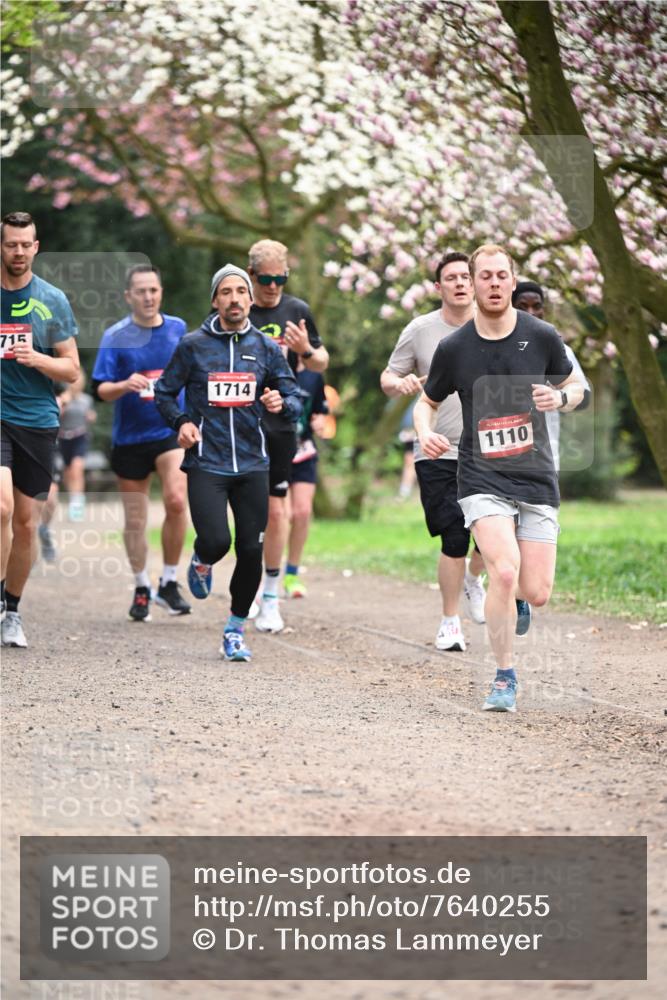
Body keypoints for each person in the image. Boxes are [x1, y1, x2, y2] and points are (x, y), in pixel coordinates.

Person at [414, 244, 587, 712]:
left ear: (513, 281)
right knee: (504, 572)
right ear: (472, 284)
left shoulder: (542, 335)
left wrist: (562, 400)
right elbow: (426, 401)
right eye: (484, 276)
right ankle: (504, 676)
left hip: (535, 477)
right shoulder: (455, 348)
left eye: (501, 276)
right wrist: (425, 431)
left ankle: (518, 602)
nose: (493, 283)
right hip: (480, 476)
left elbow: (574, 384)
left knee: (537, 590)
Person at [154, 264, 302, 662]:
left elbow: (295, 398)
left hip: (254, 463)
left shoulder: (268, 349)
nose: (235, 299)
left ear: (251, 300)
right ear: (215, 300)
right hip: (206, 462)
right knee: (218, 540)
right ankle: (202, 560)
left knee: (251, 551)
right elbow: (165, 393)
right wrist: (181, 422)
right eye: (226, 292)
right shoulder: (193, 346)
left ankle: (235, 629)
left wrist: (281, 402)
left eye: (241, 291)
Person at [381, 251, 487, 652]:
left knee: (495, 532)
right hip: (437, 449)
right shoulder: (421, 329)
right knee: (454, 535)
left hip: (489, 449)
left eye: (466, 276)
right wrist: (400, 383)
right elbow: (388, 376)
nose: (461, 283)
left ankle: (474, 579)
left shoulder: (494, 326)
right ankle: (450, 622)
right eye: (452, 277)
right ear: (438, 286)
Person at [92, 264, 191, 621]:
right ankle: (141, 586)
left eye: (154, 290)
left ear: (161, 292)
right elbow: (100, 390)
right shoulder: (115, 336)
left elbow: (193, 374)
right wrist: (124, 385)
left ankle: (168, 581)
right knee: (135, 518)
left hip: (169, 432)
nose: (148, 297)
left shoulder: (179, 329)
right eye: (141, 291)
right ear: (128, 296)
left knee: (177, 500)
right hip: (130, 437)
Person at [1, 211, 80, 646]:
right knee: (2, 509)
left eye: (24, 244)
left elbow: (71, 369)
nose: (17, 251)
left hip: (36, 420)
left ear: (36, 247)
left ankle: (12, 610)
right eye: (10, 243)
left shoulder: (52, 300)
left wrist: (37, 358)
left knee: (27, 523)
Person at [247, 239, 329, 633]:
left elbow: (322, 360)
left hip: (283, 424)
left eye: (281, 278)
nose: (274, 286)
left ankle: (271, 594)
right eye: (267, 279)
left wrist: (306, 350)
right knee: (250, 513)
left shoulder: (297, 310)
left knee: (280, 510)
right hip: (241, 424)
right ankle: (247, 582)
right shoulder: (235, 305)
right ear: (251, 275)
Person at [512, 281, 591, 471]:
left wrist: (560, 397)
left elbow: (584, 397)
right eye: (523, 307)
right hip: (497, 457)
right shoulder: (491, 346)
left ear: (543, 310)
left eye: (536, 306)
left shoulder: (559, 349)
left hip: (544, 459)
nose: (531, 312)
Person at [283, 364, 329, 598]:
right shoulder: (272, 366)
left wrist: (319, 421)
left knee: (301, 513)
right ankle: (264, 574)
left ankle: (291, 573)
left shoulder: (313, 374)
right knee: (280, 516)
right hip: (274, 452)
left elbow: (320, 409)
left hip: (303, 452)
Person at [57, 371, 96, 521]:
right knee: (68, 471)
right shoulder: (62, 398)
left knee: (77, 467)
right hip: (63, 437)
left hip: (80, 436)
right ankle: (73, 497)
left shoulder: (86, 400)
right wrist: (64, 403)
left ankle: (77, 503)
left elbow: (89, 415)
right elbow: (56, 415)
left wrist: (91, 417)